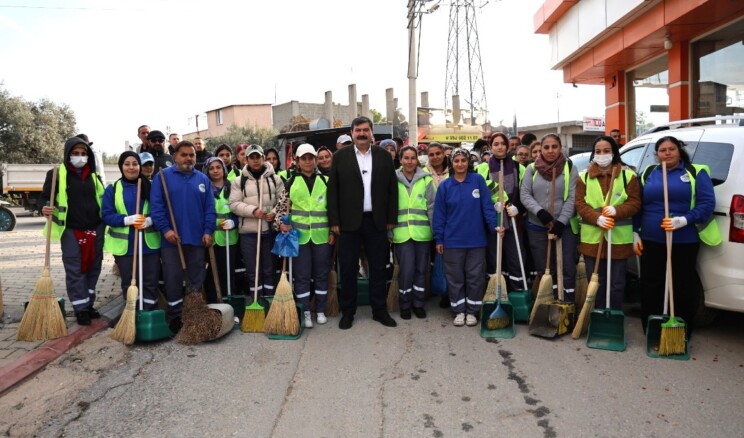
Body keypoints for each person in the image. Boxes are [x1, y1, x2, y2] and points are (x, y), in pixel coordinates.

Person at [636, 136, 717, 336]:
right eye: (662, 150)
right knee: (651, 283)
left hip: (684, 240)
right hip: (652, 240)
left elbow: (707, 204)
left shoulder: (695, 172)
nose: (667, 153)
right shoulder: (648, 173)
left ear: (679, 151)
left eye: (671, 148)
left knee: (682, 285)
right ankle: (652, 329)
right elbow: (638, 205)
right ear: (657, 155)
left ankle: (679, 331)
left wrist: (684, 220)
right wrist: (635, 232)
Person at [327, 116, 399, 330]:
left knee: (378, 267)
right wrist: (334, 221)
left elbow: (391, 189)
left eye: (365, 130)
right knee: (348, 268)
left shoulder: (384, 156)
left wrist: (390, 218)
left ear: (371, 132)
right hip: (348, 223)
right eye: (357, 130)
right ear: (352, 133)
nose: (361, 134)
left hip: (376, 222)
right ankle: (348, 312)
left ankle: (379, 310)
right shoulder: (340, 157)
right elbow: (333, 192)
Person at [150, 140, 216, 334]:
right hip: (172, 240)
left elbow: (209, 209)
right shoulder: (162, 177)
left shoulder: (203, 179)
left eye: (192, 155)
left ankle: (193, 314)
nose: (188, 158)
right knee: (173, 279)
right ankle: (175, 317)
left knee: (196, 278)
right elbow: (157, 207)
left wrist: (208, 231)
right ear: (175, 157)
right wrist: (165, 229)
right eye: (184, 155)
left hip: (197, 239)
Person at [40, 136, 106, 326]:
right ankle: (80, 308)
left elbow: (101, 199)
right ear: (68, 155)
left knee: (94, 267)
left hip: (95, 229)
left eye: (83, 154)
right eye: (75, 153)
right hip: (70, 230)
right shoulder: (56, 174)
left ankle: (89, 304)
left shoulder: (94, 175)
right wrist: (43, 208)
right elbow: (44, 198)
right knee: (75, 268)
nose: (80, 157)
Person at [433, 148, 499, 326]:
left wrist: (494, 227)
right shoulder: (445, 186)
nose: (460, 164)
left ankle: (472, 311)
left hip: (476, 240)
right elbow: (439, 215)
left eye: (463, 160)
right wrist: (439, 238)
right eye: (457, 161)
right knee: (455, 278)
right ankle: (458, 311)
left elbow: (487, 206)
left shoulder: (477, 181)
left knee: (475, 277)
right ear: (452, 164)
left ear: (468, 163)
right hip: (452, 241)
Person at [575, 136, 641, 310]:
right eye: (598, 151)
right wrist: (596, 218)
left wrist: (617, 211)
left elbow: (635, 203)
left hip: (618, 240)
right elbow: (580, 204)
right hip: (592, 240)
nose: (602, 155)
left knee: (617, 283)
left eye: (606, 151)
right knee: (596, 282)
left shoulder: (628, 176)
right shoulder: (584, 178)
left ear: (614, 153)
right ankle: (597, 316)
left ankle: (613, 317)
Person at [273, 144, 334, 328]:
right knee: (302, 276)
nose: (308, 161)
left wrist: (332, 231)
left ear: (315, 160)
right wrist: (280, 224)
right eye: (303, 158)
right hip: (298, 238)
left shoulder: (325, 181)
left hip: (322, 236)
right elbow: (281, 209)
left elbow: (333, 209)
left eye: (310, 158)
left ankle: (321, 310)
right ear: (297, 162)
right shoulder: (290, 182)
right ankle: (306, 312)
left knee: (322, 274)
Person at [520, 134, 579, 302]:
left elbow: (572, 198)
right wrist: (540, 212)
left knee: (567, 267)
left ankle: (567, 303)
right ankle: (549, 303)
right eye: (546, 147)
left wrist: (561, 221)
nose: (550, 150)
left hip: (563, 227)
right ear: (541, 149)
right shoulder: (532, 169)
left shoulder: (569, 168)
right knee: (545, 269)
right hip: (537, 226)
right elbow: (525, 194)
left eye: (554, 147)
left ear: (560, 148)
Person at [102, 152, 161, 311]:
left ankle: (149, 316)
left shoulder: (151, 186)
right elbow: (106, 216)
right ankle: (132, 317)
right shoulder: (113, 189)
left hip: (149, 246)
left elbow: (161, 210)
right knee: (129, 283)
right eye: (127, 164)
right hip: (125, 248)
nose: (131, 167)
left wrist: (150, 220)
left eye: (135, 164)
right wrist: (126, 220)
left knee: (150, 282)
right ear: (121, 167)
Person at [229, 145, 283, 300]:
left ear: (263, 158)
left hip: (269, 231)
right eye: (251, 157)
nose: (255, 160)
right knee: (253, 271)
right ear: (246, 160)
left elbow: (283, 201)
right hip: (249, 234)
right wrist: (253, 211)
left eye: (258, 157)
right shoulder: (239, 181)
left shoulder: (275, 179)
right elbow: (233, 204)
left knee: (269, 270)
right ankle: (256, 302)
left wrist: (273, 213)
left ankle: (270, 302)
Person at [392, 146, 435, 319]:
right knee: (407, 270)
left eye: (412, 158)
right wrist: (388, 231)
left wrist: (435, 231)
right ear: (400, 160)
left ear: (417, 160)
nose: (409, 161)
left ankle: (418, 303)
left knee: (421, 270)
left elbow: (432, 207)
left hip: (423, 233)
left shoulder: (426, 180)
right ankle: (405, 303)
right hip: (401, 234)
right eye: (406, 158)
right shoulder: (393, 179)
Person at [488, 132, 527, 293]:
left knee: (515, 258)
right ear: (490, 147)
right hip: (493, 221)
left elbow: (525, 193)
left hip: (513, 220)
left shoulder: (519, 167)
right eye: (496, 144)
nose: (500, 147)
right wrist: (492, 207)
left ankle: (516, 292)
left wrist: (517, 208)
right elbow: (480, 193)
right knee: (494, 259)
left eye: (502, 143)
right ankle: (494, 293)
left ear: (508, 146)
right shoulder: (482, 168)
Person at [202, 157, 238, 304]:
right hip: (210, 239)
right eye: (212, 168)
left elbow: (239, 208)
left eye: (218, 167)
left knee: (228, 272)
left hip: (229, 238)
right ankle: (214, 304)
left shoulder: (233, 187)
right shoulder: (204, 189)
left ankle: (231, 303)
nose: (215, 171)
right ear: (207, 171)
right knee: (210, 274)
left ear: (224, 169)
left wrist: (234, 222)